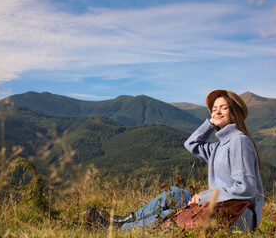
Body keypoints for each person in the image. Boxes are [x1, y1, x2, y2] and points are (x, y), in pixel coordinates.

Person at [83, 89, 264, 232]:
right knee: (175, 193)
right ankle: (122, 220)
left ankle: (115, 229)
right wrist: (210, 123)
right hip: (221, 206)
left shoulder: (239, 141)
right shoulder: (219, 146)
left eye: (223, 107)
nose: (217, 111)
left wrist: (203, 197)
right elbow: (192, 144)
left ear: (235, 112)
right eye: (214, 108)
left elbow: (245, 188)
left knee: (172, 214)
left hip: (239, 216)